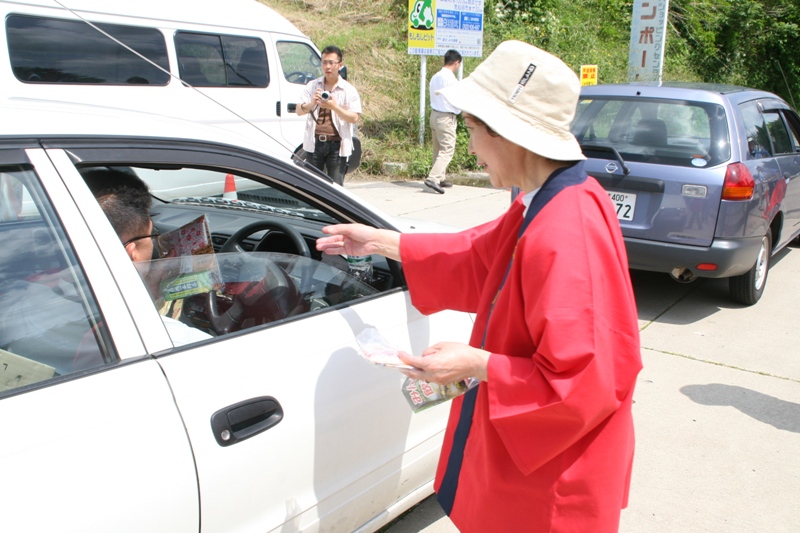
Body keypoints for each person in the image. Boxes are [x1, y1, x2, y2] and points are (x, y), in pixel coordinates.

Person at [317, 41, 642, 532]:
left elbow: (584, 383)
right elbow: (480, 256)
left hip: (552, 482)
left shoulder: (566, 230)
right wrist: (380, 241)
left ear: (509, 134)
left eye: (471, 129)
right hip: (534, 462)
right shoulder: (547, 201)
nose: (470, 147)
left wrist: (478, 363)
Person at [82, 167, 212, 346]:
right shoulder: (173, 340)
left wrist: (150, 287)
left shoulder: (54, 294)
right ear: (131, 253)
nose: (154, 242)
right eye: (152, 235)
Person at [296, 45, 362, 186]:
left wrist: (334, 107)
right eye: (324, 62)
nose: (327, 67)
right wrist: (312, 103)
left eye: (331, 63)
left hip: (337, 145)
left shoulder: (348, 90)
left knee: (335, 188)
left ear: (340, 65)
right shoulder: (313, 86)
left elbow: (354, 117)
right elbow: (299, 110)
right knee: (312, 187)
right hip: (315, 143)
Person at [425, 49, 462, 194]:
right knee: (447, 149)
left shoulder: (436, 76)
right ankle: (433, 178)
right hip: (446, 117)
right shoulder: (451, 79)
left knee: (438, 149)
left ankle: (440, 178)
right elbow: (456, 99)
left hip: (435, 115)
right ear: (457, 62)